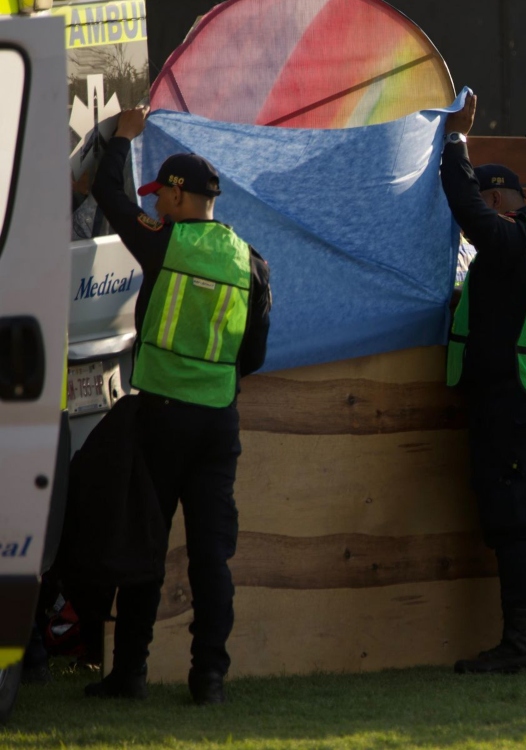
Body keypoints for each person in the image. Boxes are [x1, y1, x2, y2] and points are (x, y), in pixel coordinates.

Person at [85, 107, 272, 705]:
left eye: (161, 194)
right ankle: (209, 678)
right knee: (211, 556)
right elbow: (256, 354)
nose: (156, 203)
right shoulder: (253, 261)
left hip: (162, 416)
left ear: (176, 194)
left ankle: (130, 675)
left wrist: (119, 138)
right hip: (219, 421)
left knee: (145, 545)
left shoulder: (161, 240)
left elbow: (107, 194)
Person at [440, 94, 526, 674]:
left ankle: (522, 645)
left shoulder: (511, 238)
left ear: (496, 202)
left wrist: (455, 142)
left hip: (512, 402)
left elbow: (469, 210)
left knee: (513, 526)